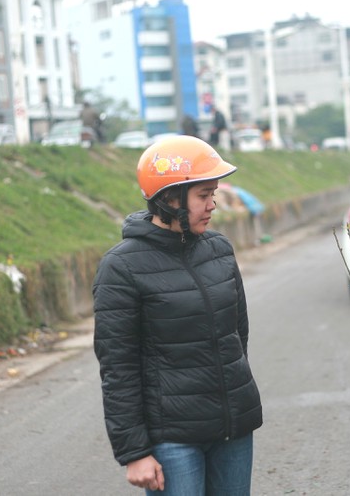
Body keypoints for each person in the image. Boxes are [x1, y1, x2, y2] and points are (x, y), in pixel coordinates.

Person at [92, 136, 263, 495]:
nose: (212, 205)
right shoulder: (121, 267)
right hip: (172, 441)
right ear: (170, 198)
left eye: (213, 194)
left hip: (232, 429)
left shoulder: (218, 250)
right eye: (203, 195)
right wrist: (135, 452)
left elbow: (237, 335)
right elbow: (118, 368)